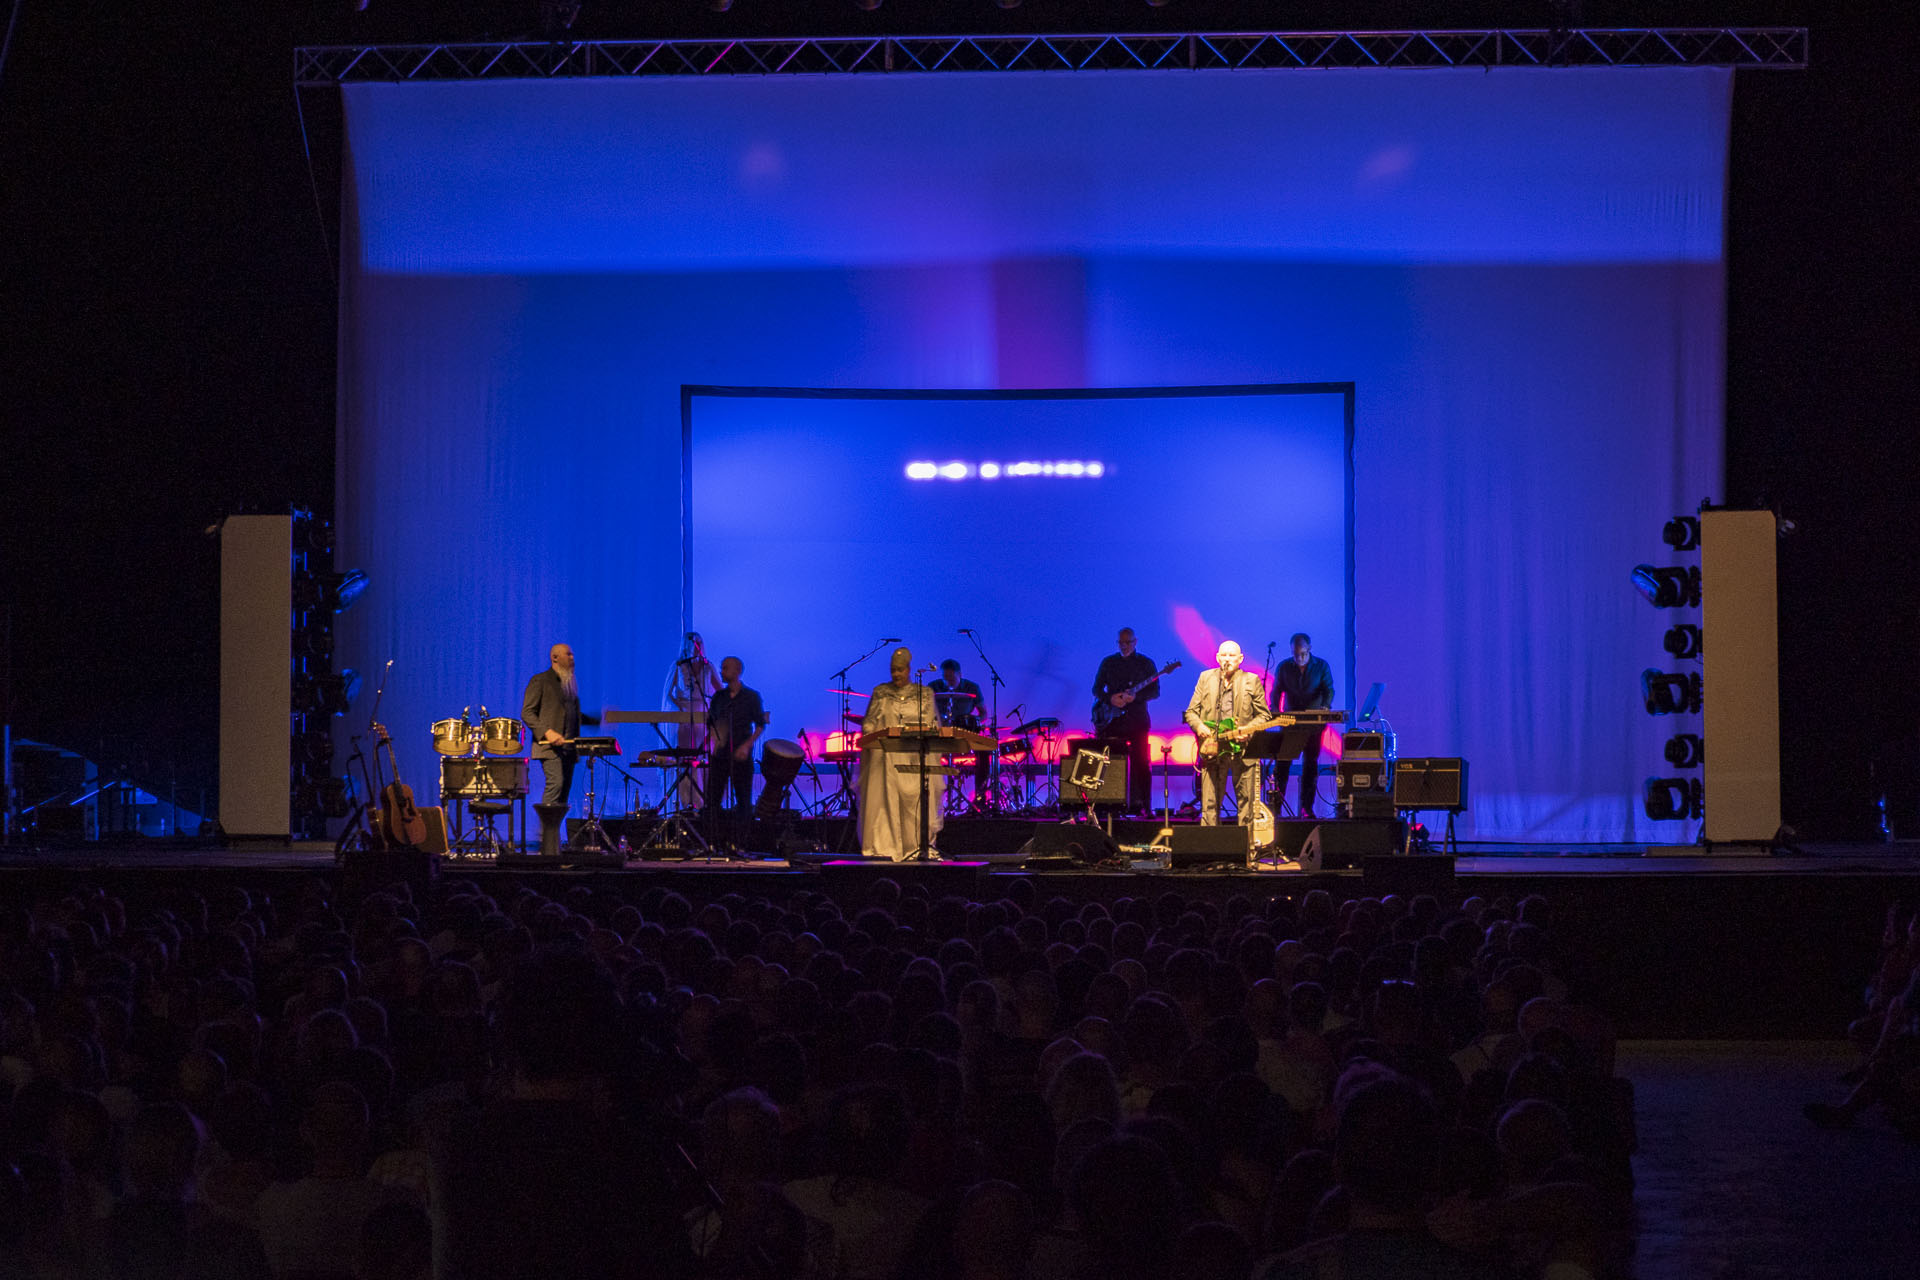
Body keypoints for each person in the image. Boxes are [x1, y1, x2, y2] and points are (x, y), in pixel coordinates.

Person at [859, 647, 943, 860]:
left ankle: (915, 846)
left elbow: (933, 725)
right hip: (886, 758)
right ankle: (886, 848)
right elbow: (868, 724)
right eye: (893, 670)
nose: (896, 674)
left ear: (909, 669)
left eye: (900, 670)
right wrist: (876, 734)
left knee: (914, 802)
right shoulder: (881, 692)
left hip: (915, 757)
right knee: (885, 804)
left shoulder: (924, 694)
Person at [1184, 640, 1269, 827]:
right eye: (1224, 655)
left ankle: (1245, 849)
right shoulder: (1206, 678)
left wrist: (1248, 730)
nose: (1227, 659)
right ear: (1217, 658)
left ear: (1240, 659)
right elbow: (1191, 712)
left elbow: (1264, 715)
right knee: (1210, 804)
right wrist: (1199, 727)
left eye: (1232, 655)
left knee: (1246, 803)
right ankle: (1210, 849)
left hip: (1243, 750)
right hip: (1213, 748)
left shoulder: (1251, 680)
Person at [1093, 628, 1162, 814]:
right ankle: (1110, 806)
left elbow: (1155, 692)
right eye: (1121, 643)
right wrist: (1110, 699)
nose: (1124, 646)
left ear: (1135, 642)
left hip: (1137, 720)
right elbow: (1096, 689)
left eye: (1128, 643)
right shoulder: (1109, 662)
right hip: (1112, 721)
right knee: (1111, 763)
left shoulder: (1146, 663)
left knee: (1141, 762)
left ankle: (1145, 807)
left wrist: (1136, 698)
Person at [1271, 632, 1335, 818]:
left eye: (1303, 654)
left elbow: (1328, 689)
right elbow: (1276, 691)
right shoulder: (1284, 667)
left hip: (1313, 725)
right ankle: (1276, 808)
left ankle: (1307, 807)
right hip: (1290, 723)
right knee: (1282, 765)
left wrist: (1325, 706)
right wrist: (1276, 709)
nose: (1299, 658)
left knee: (1310, 765)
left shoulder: (1321, 666)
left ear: (1310, 649)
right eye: (1295, 654)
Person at [705, 656, 768, 840]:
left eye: (725, 668)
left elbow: (760, 725)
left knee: (743, 801)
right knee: (712, 800)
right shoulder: (719, 697)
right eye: (722, 668)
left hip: (741, 755)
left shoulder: (751, 696)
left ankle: (742, 843)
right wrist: (716, 740)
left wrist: (747, 746)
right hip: (720, 755)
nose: (722, 671)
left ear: (737, 671)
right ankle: (713, 842)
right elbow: (711, 723)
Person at [524, 643, 590, 806]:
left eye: (572, 654)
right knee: (556, 785)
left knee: (563, 795)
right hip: (549, 747)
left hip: (568, 749)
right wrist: (547, 732)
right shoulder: (540, 680)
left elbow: (573, 716)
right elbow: (527, 712)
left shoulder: (568, 685)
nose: (572, 658)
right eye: (568, 654)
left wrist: (598, 719)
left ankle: (553, 830)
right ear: (554, 657)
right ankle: (546, 830)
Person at [664, 632, 719, 810]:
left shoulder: (708, 666)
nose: (695, 645)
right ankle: (683, 804)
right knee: (684, 760)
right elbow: (668, 693)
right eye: (692, 643)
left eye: (698, 643)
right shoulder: (678, 666)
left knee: (701, 759)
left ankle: (700, 804)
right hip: (683, 717)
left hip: (702, 715)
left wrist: (714, 709)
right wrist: (679, 707)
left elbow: (720, 691)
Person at [933, 659, 990, 806]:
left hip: (965, 734)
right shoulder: (933, 687)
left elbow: (984, 714)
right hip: (941, 733)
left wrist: (976, 722)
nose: (948, 683)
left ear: (960, 675)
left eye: (951, 679)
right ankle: (930, 798)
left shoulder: (972, 688)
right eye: (945, 679)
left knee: (984, 752)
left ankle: (980, 797)